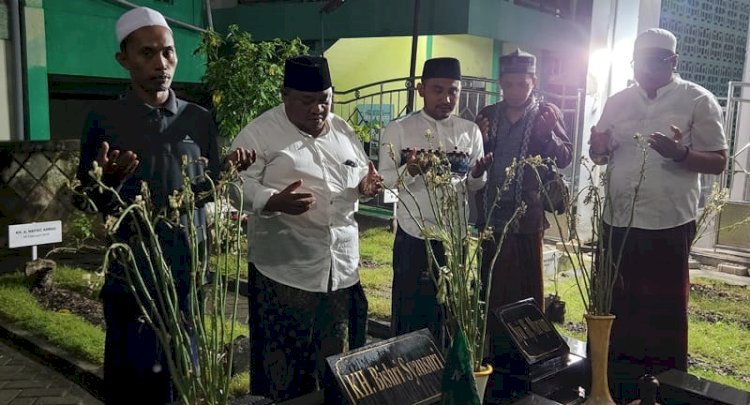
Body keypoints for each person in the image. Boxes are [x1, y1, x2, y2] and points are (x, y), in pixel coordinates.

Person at [76, 7, 254, 403]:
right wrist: (107, 182)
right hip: (133, 277)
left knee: (183, 373)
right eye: (147, 53)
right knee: (133, 378)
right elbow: (87, 198)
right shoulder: (104, 118)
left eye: (168, 52)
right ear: (124, 60)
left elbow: (202, 193)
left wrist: (225, 175)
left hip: (187, 272)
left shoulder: (199, 119)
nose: (161, 63)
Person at [230, 55, 382, 401]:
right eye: (306, 100)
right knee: (282, 372)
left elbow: (358, 176)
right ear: (284, 95)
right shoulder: (258, 133)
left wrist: (365, 186)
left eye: (325, 99)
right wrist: (272, 200)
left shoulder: (343, 131)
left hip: (340, 272)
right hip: (285, 272)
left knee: (336, 369)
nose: (318, 109)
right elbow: (234, 184)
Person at [590, 28, 727, 401]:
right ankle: (614, 385)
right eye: (640, 62)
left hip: (668, 223)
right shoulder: (618, 101)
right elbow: (599, 153)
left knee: (663, 313)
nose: (646, 70)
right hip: (617, 221)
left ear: (673, 62)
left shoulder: (698, 100)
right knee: (617, 308)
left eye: (656, 62)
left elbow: (719, 161)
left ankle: (664, 390)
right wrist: (598, 147)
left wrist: (680, 154)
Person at [379, 57, 491, 342]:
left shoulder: (470, 131)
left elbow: (474, 185)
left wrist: (478, 174)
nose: (446, 98)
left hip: (454, 238)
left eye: (453, 91)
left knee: (451, 313)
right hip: (414, 235)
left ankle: (447, 378)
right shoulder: (400, 129)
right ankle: (408, 377)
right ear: (421, 89)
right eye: (438, 90)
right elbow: (386, 181)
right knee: (410, 315)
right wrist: (412, 168)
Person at [476, 49, 572, 318]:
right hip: (491, 213)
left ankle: (528, 345)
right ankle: (492, 346)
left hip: (527, 215)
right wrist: (478, 139)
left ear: (534, 82)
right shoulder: (489, 113)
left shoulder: (547, 113)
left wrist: (548, 137)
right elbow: (474, 156)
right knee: (491, 283)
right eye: (509, 85)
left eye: (522, 84)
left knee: (526, 286)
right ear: (501, 84)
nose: (515, 91)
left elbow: (565, 157)